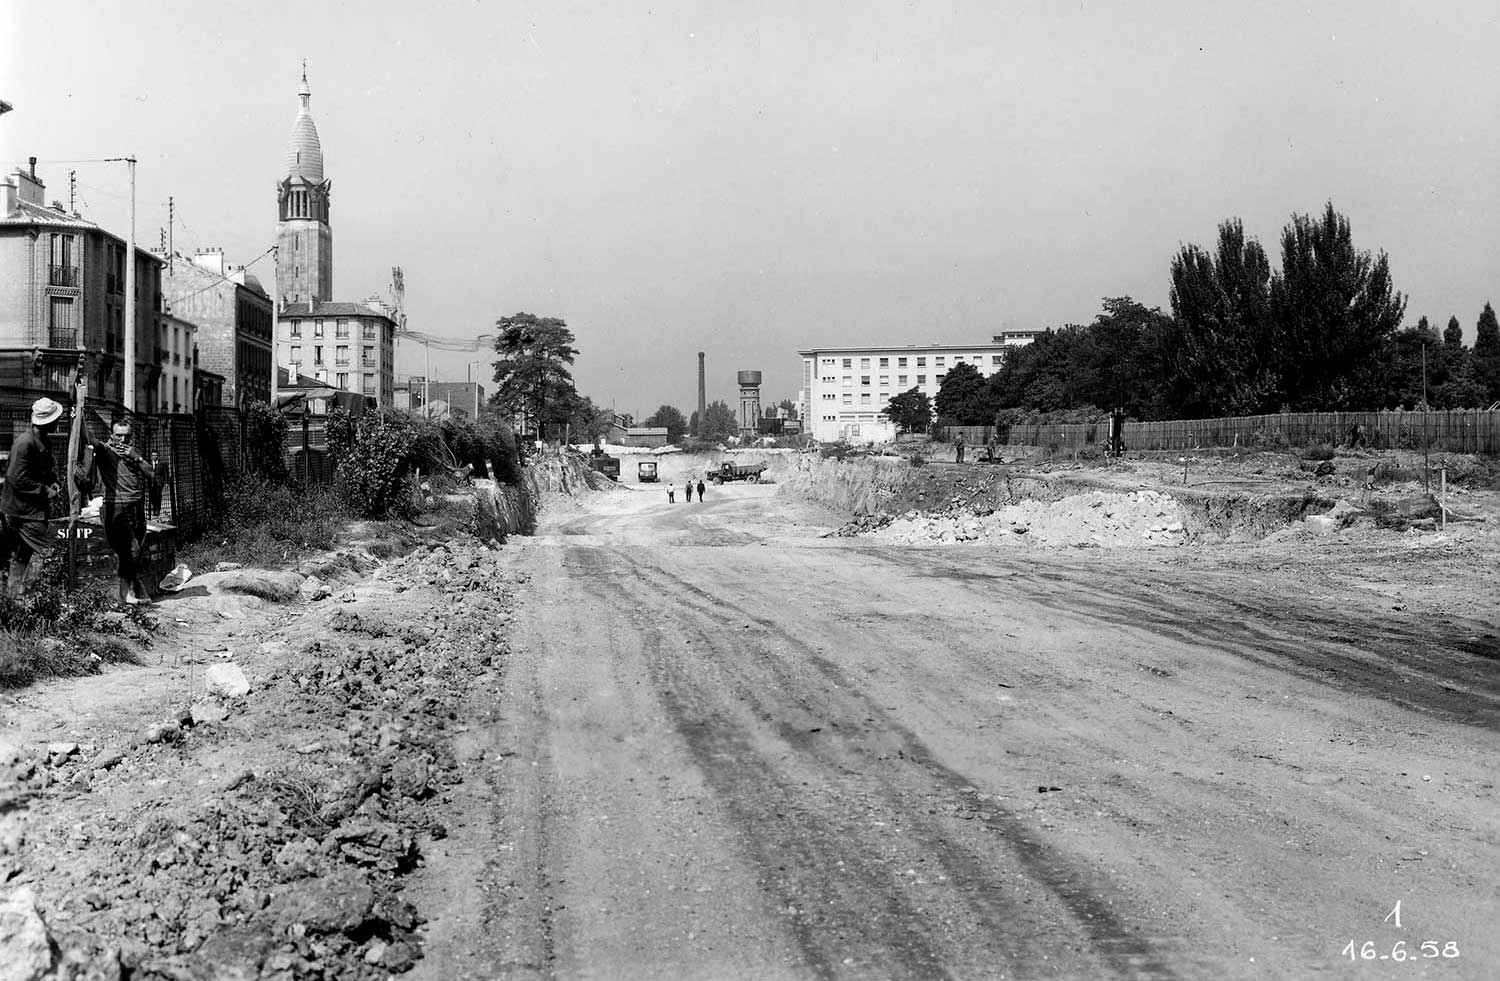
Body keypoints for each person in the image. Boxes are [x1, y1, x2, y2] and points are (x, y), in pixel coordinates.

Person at [75, 418, 163, 606]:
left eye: (127, 436)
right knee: (132, 549)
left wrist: (137, 457)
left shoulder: (132, 453)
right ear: (111, 436)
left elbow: (154, 476)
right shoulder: (107, 450)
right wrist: (79, 416)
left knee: (136, 551)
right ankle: (124, 595)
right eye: (118, 436)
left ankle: (132, 589)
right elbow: (89, 439)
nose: (122, 440)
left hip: (136, 506)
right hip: (116, 507)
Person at [1, 398, 64, 599]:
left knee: (23, 552)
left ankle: (14, 596)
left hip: (31, 510)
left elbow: (43, 470)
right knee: (51, 551)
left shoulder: (42, 440)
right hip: (22, 512)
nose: (58, 423)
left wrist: (52, 481)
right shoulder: (25, 443)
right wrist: (45, 491)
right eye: (56, 419)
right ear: (48, 422)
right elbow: (16, 478)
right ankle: (34, 597)